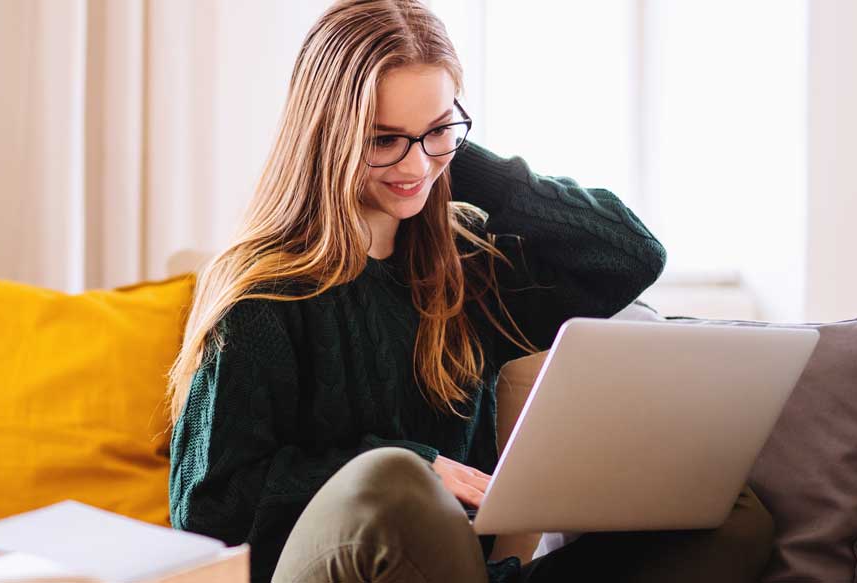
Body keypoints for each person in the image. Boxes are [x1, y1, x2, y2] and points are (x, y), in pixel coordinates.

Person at [165, 1, 774, 581]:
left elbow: (629, 255)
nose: (413, 167)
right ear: (329, 136)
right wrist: (414, 465)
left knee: (728, 517)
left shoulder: (466, 266)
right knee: (395, 486)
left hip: (467, 572)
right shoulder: (264, 294)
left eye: (437, 130)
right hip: (344, 568)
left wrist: (458, 158)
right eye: (383, 140)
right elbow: (206, 505)